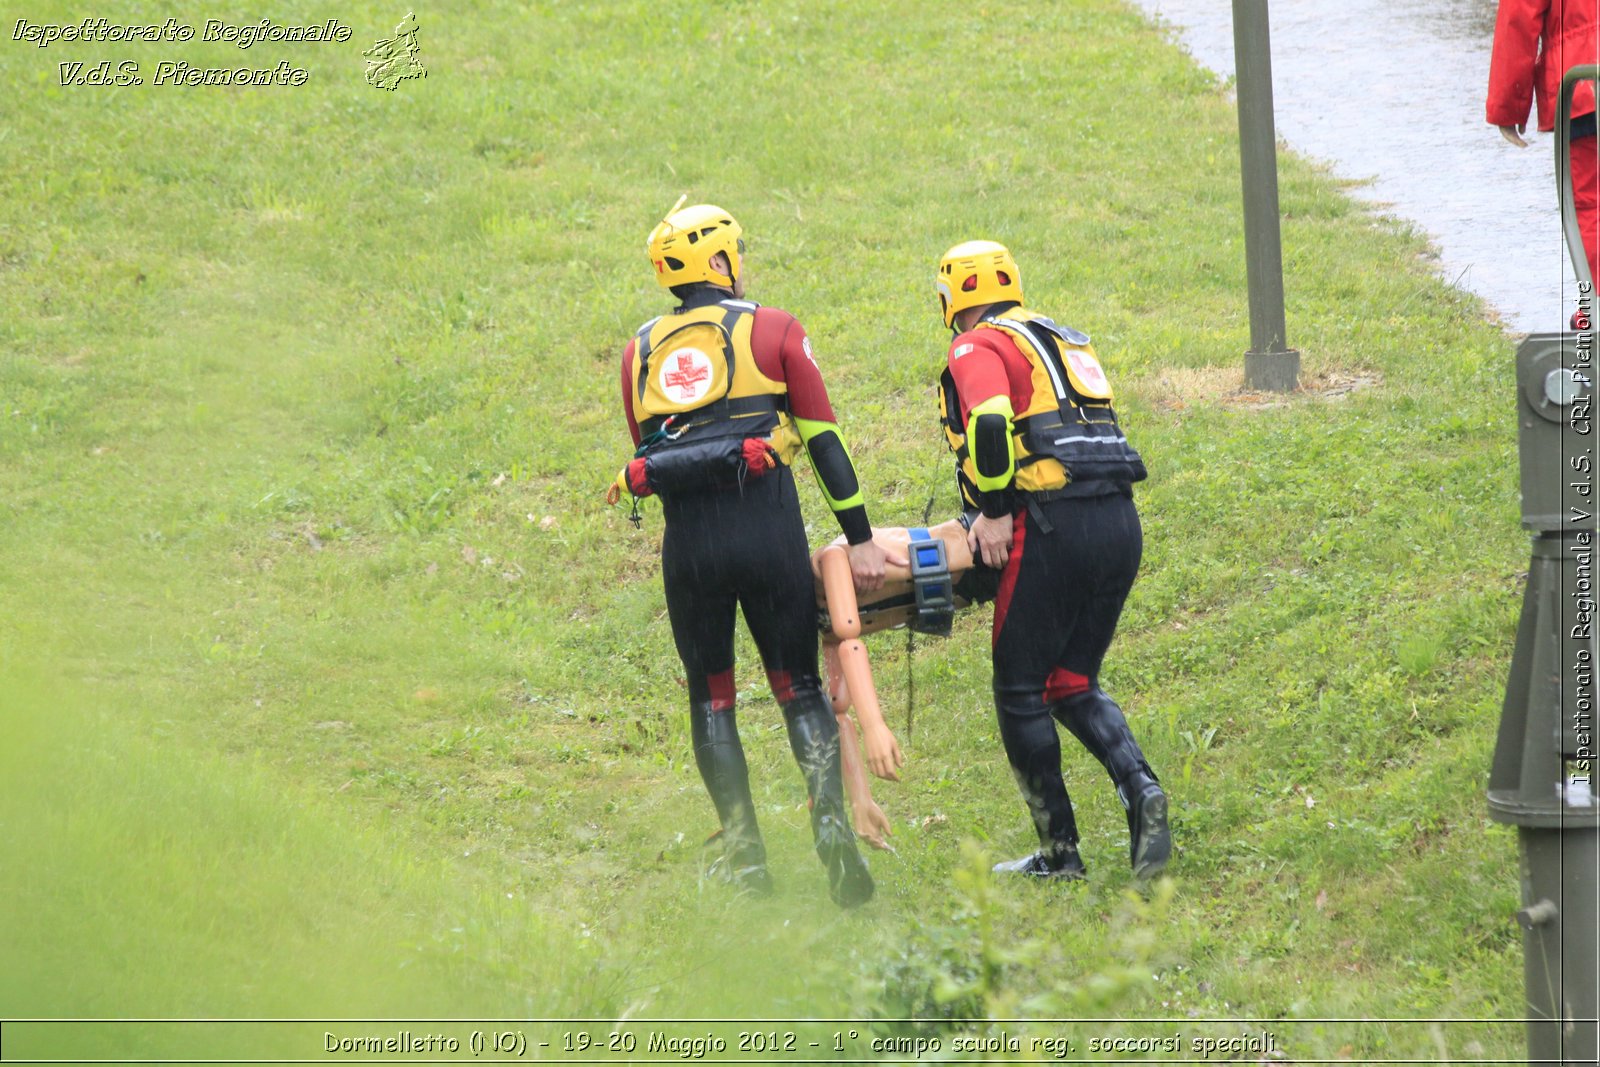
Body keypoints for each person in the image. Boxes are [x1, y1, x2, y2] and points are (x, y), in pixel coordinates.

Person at [613, 199, 901, 907]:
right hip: (767, 536)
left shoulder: (639, 351)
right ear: (718, 261)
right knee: (797, 688)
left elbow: (645, 449)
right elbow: (824, 440)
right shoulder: (773, 329)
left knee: (711, 699)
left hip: (691, 552)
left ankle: (746, 858)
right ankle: (834, 839)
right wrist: (859, 536)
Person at [932, 240, 1170, 881]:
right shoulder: (1062, 340)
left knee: (1019, 690)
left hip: (1051, 525)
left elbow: (987, 423)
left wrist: (991, 508)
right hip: (1119, 521)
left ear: (952, 298)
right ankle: (1141, 789)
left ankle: (1060, 855)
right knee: (1071, 682)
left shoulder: (974, 345)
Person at [1487, 0, 1599, 289]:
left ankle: (1594, 309)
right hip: (1583, 84)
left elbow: (1519, 19)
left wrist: (1509, 105)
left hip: (1583, 82)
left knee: (1589, 204)